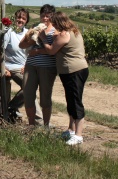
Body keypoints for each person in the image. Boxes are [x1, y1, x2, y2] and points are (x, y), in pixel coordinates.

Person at [38, 12, 89, 146]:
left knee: (75, 101)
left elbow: (51, 51)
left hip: (73, 71)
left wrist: (43, 38)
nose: (53, 26)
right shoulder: (73, 31)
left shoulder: (64, 35)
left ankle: (78, 135)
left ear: (59, 23)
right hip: (76, 69)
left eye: (54, 24)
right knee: (71, 100)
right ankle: (71, 130)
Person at [1, 8, 43, 124]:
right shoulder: (9, 32)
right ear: (15, 18)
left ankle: (12, 106)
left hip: (25, 67)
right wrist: (4, 67)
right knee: (29, 88)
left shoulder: (27, 33)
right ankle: (39, 121)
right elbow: (1, 51)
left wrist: (27, 64)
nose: (20, 20)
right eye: (19, 17)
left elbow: (31, 51)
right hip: (11, 67)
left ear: (26, 21)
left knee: (32, 87)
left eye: (23, 18)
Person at [19, 4, 57, 127]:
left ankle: (45, 126)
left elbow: (55, 50)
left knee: (45, 97)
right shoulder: (35, 28)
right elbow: (22, 45)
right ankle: (31, 125)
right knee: (28, 95)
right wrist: (29, 36)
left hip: (47, 67)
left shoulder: (55, 31)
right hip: (31, 65)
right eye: (43, 16)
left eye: (47, 16)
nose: (45, 19)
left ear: (52, 16)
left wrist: (38, 51)